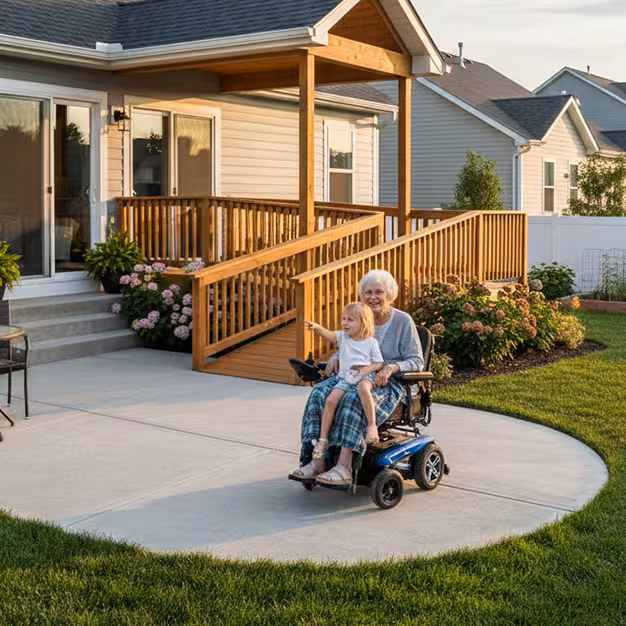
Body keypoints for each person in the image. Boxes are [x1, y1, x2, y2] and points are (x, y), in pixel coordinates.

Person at [290, 269, 424, 487]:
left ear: (389, 294)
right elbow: (351, 345)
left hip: (389, 382)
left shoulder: (403, 321)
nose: (373, 297)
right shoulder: (360, 317)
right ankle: (316, 461)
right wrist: (335, 357)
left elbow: (416, 360)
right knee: (318, 394)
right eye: (368, 293)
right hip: (354, 375)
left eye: (379, 292)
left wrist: (390, 368)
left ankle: (344, 467)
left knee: (353, 400)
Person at [305, 302, 383, 462]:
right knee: (330, 401)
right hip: (346, 378)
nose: (345, 323)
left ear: (363, 322)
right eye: (344, 319)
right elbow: (330, 335)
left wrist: (366, 370)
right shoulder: (343, 338)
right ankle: (323, 439)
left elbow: (378, 363)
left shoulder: (371, 342)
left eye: (350, 320)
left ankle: (372, 426)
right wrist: (318, 328)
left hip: (364, 376)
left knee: (363, 388)